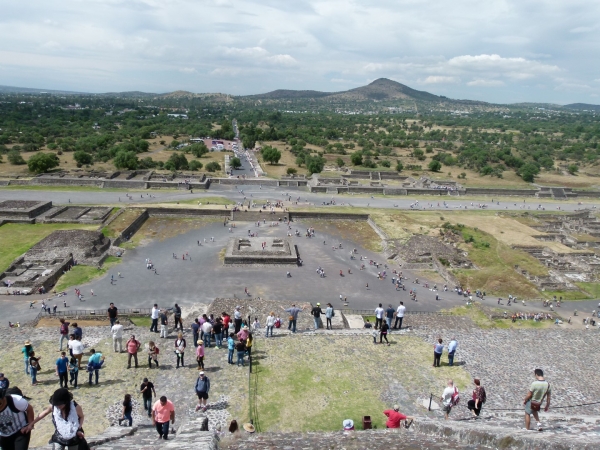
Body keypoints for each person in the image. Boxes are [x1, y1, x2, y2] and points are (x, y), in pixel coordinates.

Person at [0, 384, 34, 450]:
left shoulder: (16, 401)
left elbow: (29, 409)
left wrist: (30, 424)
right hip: (4, 434)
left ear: (3, 398)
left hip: (21, 430)